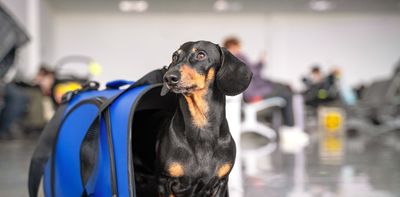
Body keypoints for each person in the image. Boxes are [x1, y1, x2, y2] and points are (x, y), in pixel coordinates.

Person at [223, 37, 294, 126]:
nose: (240, 48)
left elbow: (252, 70)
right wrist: (261, 63)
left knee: (285, 88)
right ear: (232, 46)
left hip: (253, 90)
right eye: (238, 46)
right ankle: (290, 128)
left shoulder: (229, 60)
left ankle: (286, 127)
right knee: (287, 93)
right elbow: (253, 72)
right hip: (254, 93)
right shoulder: (238, 58)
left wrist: (260, 63)